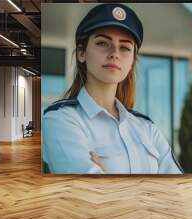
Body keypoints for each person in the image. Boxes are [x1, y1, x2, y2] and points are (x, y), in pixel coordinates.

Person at [42, 3, 182, 174]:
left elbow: (179, 191)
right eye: (102, 43)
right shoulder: (59, 120)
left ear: (131, 63)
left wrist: (110, 182)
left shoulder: (147, 128)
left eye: (125, 47)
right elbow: (90, 195)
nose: (115, 53)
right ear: (81, 53)